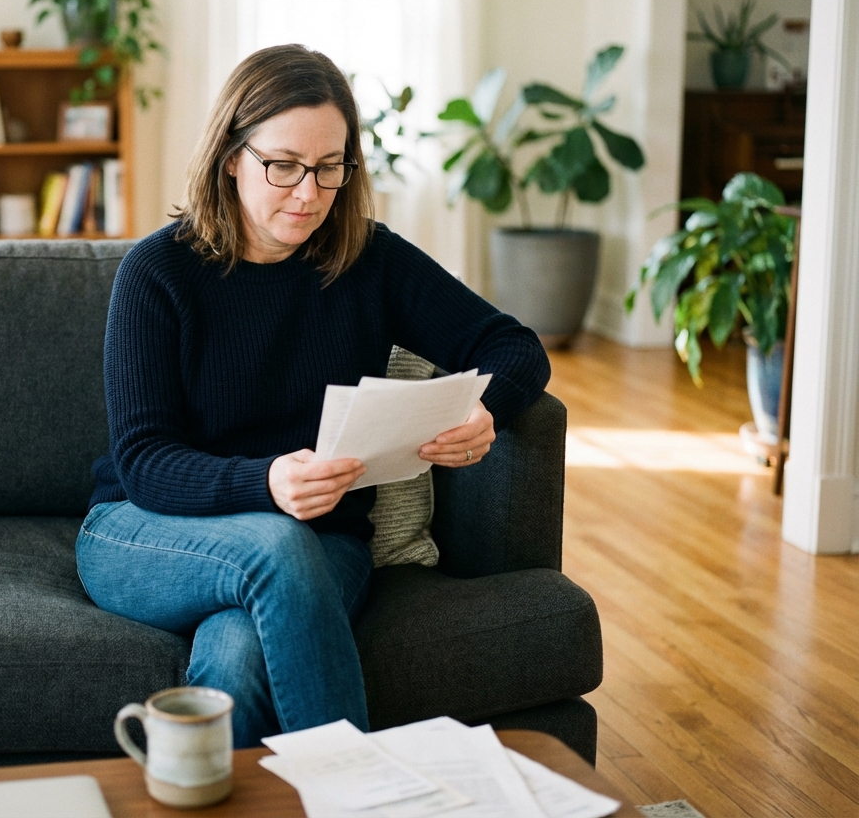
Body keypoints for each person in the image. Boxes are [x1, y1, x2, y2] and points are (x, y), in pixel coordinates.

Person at [75, 44, 550, 747]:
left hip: (323, 539)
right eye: (284, 166)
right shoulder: (159, 272)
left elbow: (515, 346)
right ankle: (357, 793)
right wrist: (267, 480)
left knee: (237, 659)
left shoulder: (371, 260)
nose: (308, 194)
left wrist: (487, 412)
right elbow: (144, 461)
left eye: (331, 168)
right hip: (143, 529)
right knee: (275, 544)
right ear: (231, 155)